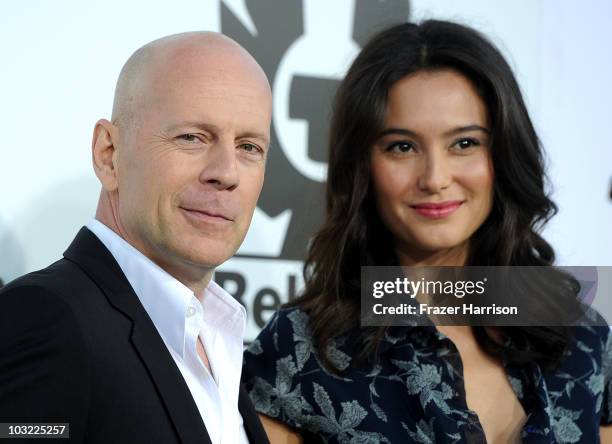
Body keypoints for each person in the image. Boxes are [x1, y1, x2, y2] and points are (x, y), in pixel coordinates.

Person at [243, 20, 612, 443]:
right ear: (362, 166)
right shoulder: (304, 349)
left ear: (505, 154)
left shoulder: (579, 333)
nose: (435, 178)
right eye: (402, 146)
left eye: (465, 143)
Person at [0, 32, 271, 444]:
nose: (227, 173)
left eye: (249, 147)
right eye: (192, 137)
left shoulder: (219, 340)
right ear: (108, 154)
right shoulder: (48, 318)